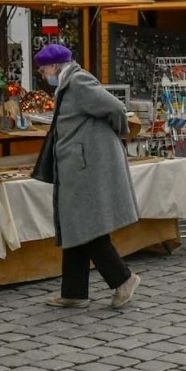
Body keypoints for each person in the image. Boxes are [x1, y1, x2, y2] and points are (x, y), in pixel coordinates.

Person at [30, 44, 141, 308]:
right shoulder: (68, 83)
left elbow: (114, 107)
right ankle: (74, 292)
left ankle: (123, 278)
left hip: (86, 164)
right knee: (74, 224)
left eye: (44, 69)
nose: (43, 74)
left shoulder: (78, 81)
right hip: (77, 163)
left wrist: (117, 134)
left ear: (56, 66)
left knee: (86, 225)